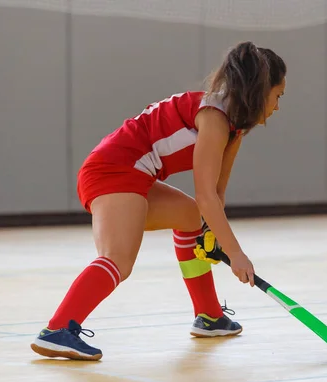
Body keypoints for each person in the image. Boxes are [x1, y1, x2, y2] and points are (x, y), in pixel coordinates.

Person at [30, 41, 287, 361]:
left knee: (192, 216)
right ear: (259, 90)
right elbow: (205, 193)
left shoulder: (235, 126)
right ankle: (58, 330)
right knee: (118, 260)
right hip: (112, 172)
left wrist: (211, 231)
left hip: (135, 176)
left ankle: (209, 316)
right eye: (278, 95)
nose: (277, 105)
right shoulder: (214, 117)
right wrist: (236, 254)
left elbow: (215, 195)